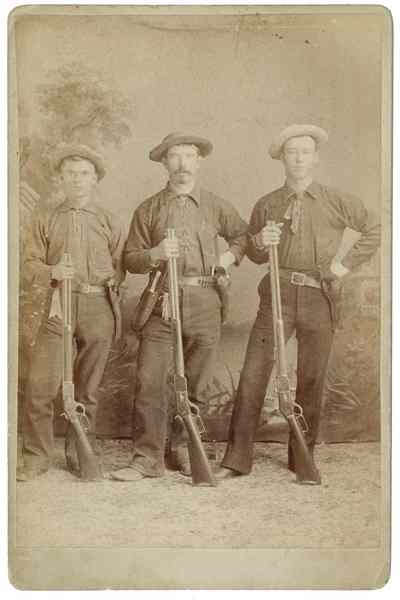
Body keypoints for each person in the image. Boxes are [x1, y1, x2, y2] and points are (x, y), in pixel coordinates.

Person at [217, 124, 381, 481]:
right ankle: (237, 458)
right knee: (253, 374)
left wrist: (343, 266)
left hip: (318, 297)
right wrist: (260, 240)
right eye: (292, 152)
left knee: (311, 377)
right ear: (282, 159)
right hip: (276, 295)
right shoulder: (267, 203)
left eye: (305, 152)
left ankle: (301, 455)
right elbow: (257, 255)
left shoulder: (337, 200)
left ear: (316, 159)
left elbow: (376, 228)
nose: (299, 158)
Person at [111, 132, 248, 481]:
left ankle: (189, 450)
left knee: (198, 383)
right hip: (162, 302)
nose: (183, 163)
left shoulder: (216, 205)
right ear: (164, 162)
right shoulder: (149, 209)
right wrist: (155, 254)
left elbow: (242, 236)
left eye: (189, 156)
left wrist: (227, 257)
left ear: (199, 161)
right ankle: (146, 458)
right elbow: (131, 258)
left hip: (205, 300)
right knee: (150, 381)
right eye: (175, 156)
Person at [17, 143, 125, 481]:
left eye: (84, 174)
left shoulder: (109, 219)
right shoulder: (45, 218)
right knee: (40, 385)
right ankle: (37, 455)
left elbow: (121, 267)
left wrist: (105, 282)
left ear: (95, 179)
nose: (77, 180)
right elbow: (26, 263)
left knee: (88, 388)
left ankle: (81, 452)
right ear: (60, 180)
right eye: (70, 174)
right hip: (57, 307)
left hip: (97, 306)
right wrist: (52, 272)